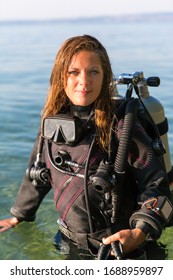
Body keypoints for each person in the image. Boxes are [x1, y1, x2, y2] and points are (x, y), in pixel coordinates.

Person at [0, 34, 173, 260]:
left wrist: (139, 233)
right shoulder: (52, 123)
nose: (84, 81)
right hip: (68, 242)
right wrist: (18, 216)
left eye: (94, 72)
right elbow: (37, 171)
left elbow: (156, 184)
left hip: (122, 248)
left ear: (104, 77)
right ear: (61, 76)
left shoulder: (121, 125)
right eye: (74, 72)